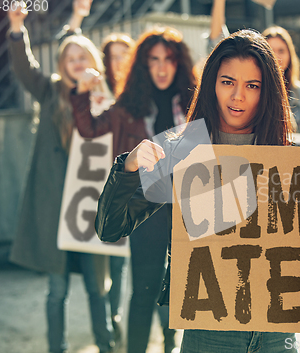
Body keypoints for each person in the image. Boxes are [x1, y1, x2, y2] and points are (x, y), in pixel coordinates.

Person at [91, 29, 300, 353]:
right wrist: (128, 166)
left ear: (268, 92)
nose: (238, 96)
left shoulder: (296, 161)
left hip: (280, 334)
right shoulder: (183, 152)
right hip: (209, 332)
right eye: (227, 82)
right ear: (211, 84)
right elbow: (110, 228)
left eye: (252, 85)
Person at [71, 26, 197, 353]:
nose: (161, 67)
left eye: (168, 59)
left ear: (178, 63)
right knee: (144, 290)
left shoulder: (196, 102)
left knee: (187, 289)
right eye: (153, 59)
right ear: (143, 64)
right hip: (148, 206)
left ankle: (171, 345)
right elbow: (88, 128)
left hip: (192, 204)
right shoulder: (127, 107)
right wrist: (82, 93)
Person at [7, 3, 114, 353]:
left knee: (98, 288)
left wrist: (97, 94)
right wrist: (16, 28)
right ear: (63, 67)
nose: (78, 64)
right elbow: (24, 69)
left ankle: (106, 344)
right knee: (57, 291)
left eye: (83, 58)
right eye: (71, 60)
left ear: (93, 62)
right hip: (56, 209)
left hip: (89, 208)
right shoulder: (50, 91)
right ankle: (58, 348)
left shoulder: (103, 98)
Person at [100, 31, 136, 347]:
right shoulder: (98, 94)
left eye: (125, 53)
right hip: (98, 188)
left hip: (133, 188)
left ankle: (119, 320)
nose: (119, 60)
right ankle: (110, 324)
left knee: (124, 264)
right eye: (113, 55)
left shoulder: (138, 95)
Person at [263, 25, 300, 133]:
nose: (276, 56)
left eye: (281, 51)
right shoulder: (251, 90)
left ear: (290, 55)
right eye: (270, 50)